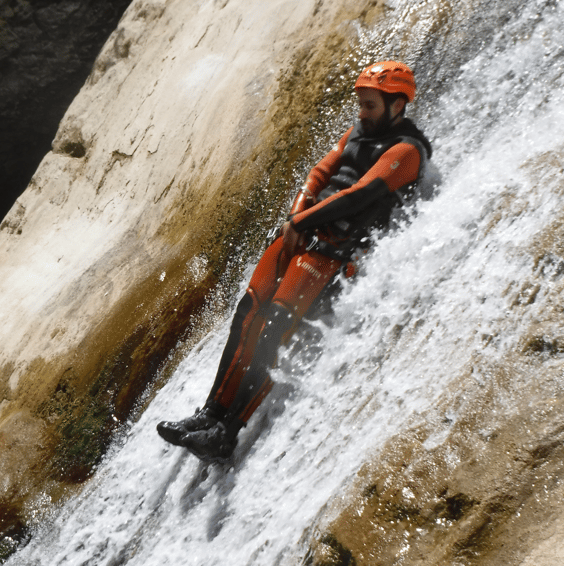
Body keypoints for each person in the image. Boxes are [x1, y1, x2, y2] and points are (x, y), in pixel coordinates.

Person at [157, 61, 433, 462]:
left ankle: (227, 433)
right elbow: (320, 173)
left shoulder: (408, 150)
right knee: (248, 312)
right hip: (303, 233)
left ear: (396, 105)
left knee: (275, 331)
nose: (361, 113)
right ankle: (208, 415)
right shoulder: (359, 131)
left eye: (370, 106)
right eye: (361, 104)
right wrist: (296, 217)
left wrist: (303, 221)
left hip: (335, 250)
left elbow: (359, 194)